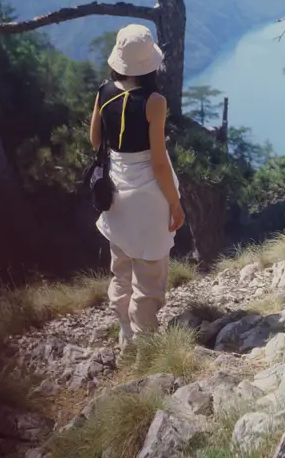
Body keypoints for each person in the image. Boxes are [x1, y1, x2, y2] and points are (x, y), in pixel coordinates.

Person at [90, 24, 185, 347]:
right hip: (148, 197)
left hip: (115, 190)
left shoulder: (104, 91)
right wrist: (175, 203)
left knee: (121, 268)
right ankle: (145, 347)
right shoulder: (154, 101)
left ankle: (125, 337)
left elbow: (95, 139)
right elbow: (158, 163)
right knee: (149, 274)